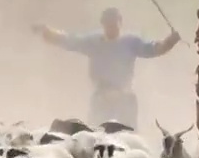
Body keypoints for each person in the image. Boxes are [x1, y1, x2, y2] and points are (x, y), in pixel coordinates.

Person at [32, 7, 180, 128]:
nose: (111, 28)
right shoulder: (94, 42)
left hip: (124, 97)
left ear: (120, 23)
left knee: (128, 136)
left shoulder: (131, 42)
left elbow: (153, 49)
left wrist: (169, 42)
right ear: (103, 24)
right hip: (101, 97)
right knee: (96, 135)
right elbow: (69, 40)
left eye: (114, 24)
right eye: (108, 24)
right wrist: (47, 31)